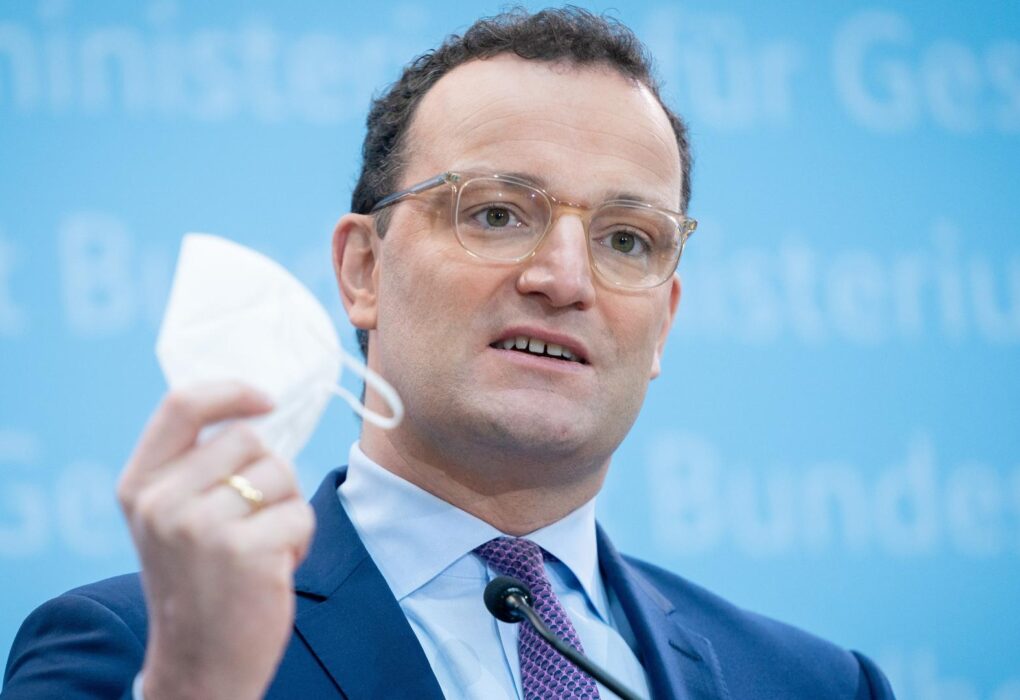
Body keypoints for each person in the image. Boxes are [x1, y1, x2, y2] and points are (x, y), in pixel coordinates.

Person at [2, 8, 894, 700]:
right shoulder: (130, 651)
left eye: (627, 239)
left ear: (663, 322)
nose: (564, 279)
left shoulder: (813, 684)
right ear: (363, 270)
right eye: (498, 213)